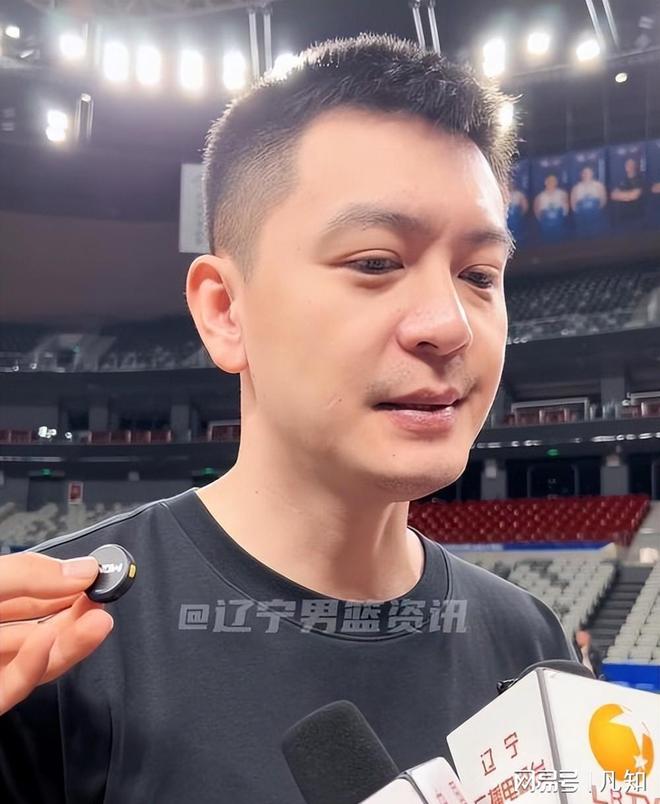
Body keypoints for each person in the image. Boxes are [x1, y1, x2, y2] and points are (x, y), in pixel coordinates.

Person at [0, 34, 577, 803]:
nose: (449, 325)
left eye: (479, 274)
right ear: (225, 310)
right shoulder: (44, 650)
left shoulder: (530, 640)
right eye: (375, 262)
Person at [570, 165, 607, 237]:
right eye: (584, 173)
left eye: (588, 172)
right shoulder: (576, 187)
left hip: (595, 217)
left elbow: (603, 200)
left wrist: (596, 212)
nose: (586, 174)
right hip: (581, 218)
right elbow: (573, 204)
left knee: (597, 236)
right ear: (581, 175)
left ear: (592, 174)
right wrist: (579, 215)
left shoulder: (599, 185)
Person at [533, 173, 569, 241]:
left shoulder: (562, 194)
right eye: (549, 181)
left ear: (556, 183)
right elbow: (536, 210)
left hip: (558, 221)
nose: (551, 183)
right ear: (545, 183)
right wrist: (542, 219)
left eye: (553, 181)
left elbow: (566, 208)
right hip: (545, 223)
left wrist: (561, 216)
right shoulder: (539, 196)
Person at [610, 156, 644, 225]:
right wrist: (626, 196)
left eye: (631, 164)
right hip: (623, 218)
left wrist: (622, 195)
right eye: (627, 164)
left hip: (637, 219)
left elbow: (633, 196)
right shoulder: (623, 179)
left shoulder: (640, 179)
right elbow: (613, 195)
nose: (629, 166)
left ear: (635, 166)